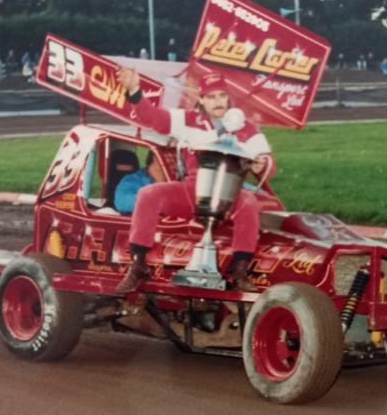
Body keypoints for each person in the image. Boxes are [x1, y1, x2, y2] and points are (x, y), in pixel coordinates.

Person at [114, 69, 275, 293]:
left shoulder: (245, 128)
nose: (218, 102)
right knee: (147, 194)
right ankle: (138, 265)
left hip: (229, 194)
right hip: (192, 191)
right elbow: (152, 118)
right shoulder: (188, 120)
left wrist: (261, 165)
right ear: (201, 99)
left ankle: (239, 270)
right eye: (211, 97)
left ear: (228, 97)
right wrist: (134, 91)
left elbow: (268, 163)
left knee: (249, 202)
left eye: (221, 95)